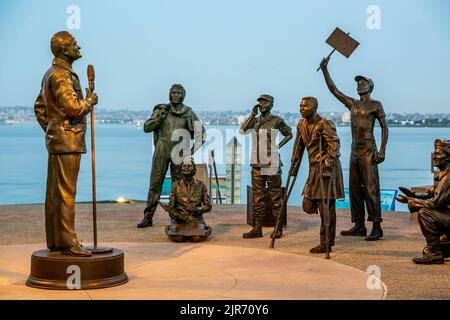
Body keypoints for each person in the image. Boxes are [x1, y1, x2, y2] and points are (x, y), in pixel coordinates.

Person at [34, 31, 98, 256]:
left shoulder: (51, 73)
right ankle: (69, 244)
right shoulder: (61, 75)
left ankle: (57, 241)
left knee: (55, 194)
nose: (78, 47)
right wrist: (89, 101)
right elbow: (74, 108)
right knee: (66, 193)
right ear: (63, 50)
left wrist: (53, 130)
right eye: (74, 44)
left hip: (59, 140)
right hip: (67, 141)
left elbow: (40, 108)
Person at [319, 57, 389, 241]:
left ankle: (376, 226)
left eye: (362, 82)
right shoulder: (353, 104)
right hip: (354, 150)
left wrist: (382, 150)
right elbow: (334, 91)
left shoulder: (376, 105)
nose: (359, 85)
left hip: (368, 149)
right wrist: (325, 70)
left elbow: (384, 127)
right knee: (355, 189)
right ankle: (359, 225)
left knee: (371, 189)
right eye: (358, 83)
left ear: (370, 86)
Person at [138, 84, 206, 228]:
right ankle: (148, 216)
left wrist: (191, 151)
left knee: (179, 186)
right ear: (169, 94)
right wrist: (159, 118)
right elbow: (146, 127)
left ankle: (177, 217)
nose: (175, 95)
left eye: (178, 92)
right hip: (161, 150)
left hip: (179, 151)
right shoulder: (161, 110)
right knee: (155, 184)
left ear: (183, 95)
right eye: (173, 92)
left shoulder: (188, 112)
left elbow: (201, 134)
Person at [290, 97, 345, 253]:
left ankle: (326, 241)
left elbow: (334, 145)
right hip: (314, 169)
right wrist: (294, 165)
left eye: (305, 106)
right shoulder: (301, 124)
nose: (301, 108)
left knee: (326, 207)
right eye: (300, 105)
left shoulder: (325, 124)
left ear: (314, 108)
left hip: (328, 168)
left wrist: (327, 166)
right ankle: (327, 238)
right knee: (308, 205)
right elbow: (298, 146)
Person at [240, 94, 292, 239]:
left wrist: (277, 146)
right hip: (256, 163)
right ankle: (257, 228)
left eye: (264, 102)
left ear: (271, 104)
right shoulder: (255, 121)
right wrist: (252, 114)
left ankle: (278, 227)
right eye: (260, 102)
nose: (261, 104)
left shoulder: (277, 120)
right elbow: (242, 130)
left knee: (276, 197)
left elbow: (289, 134)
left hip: (271, 162)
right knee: (257, 198)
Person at [396, 139, 450, 264]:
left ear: (448, 158)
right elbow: (430, 193)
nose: (434, 157)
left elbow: (435, 203)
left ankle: (435, 254)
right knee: (426, 249)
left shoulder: (448, 178)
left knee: (426, 213)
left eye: (438, 154)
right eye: (434, 153)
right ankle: (435, 250)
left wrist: (412, 202)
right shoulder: (443, 175)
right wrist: (413, 195)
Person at [161, 158, 212, 242]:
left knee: (196, 238)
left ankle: (205, 229)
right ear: (181, 169)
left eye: (189, 166)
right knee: (178, 238)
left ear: (194, 169)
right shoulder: (176, 185)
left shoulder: (201, 185)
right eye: (184, 166)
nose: (186, 168)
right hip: (179, 220)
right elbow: (171, 206)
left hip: (196, 220)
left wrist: (197, 209)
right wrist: (175, 215)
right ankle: (170, 228)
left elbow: (208, 206)